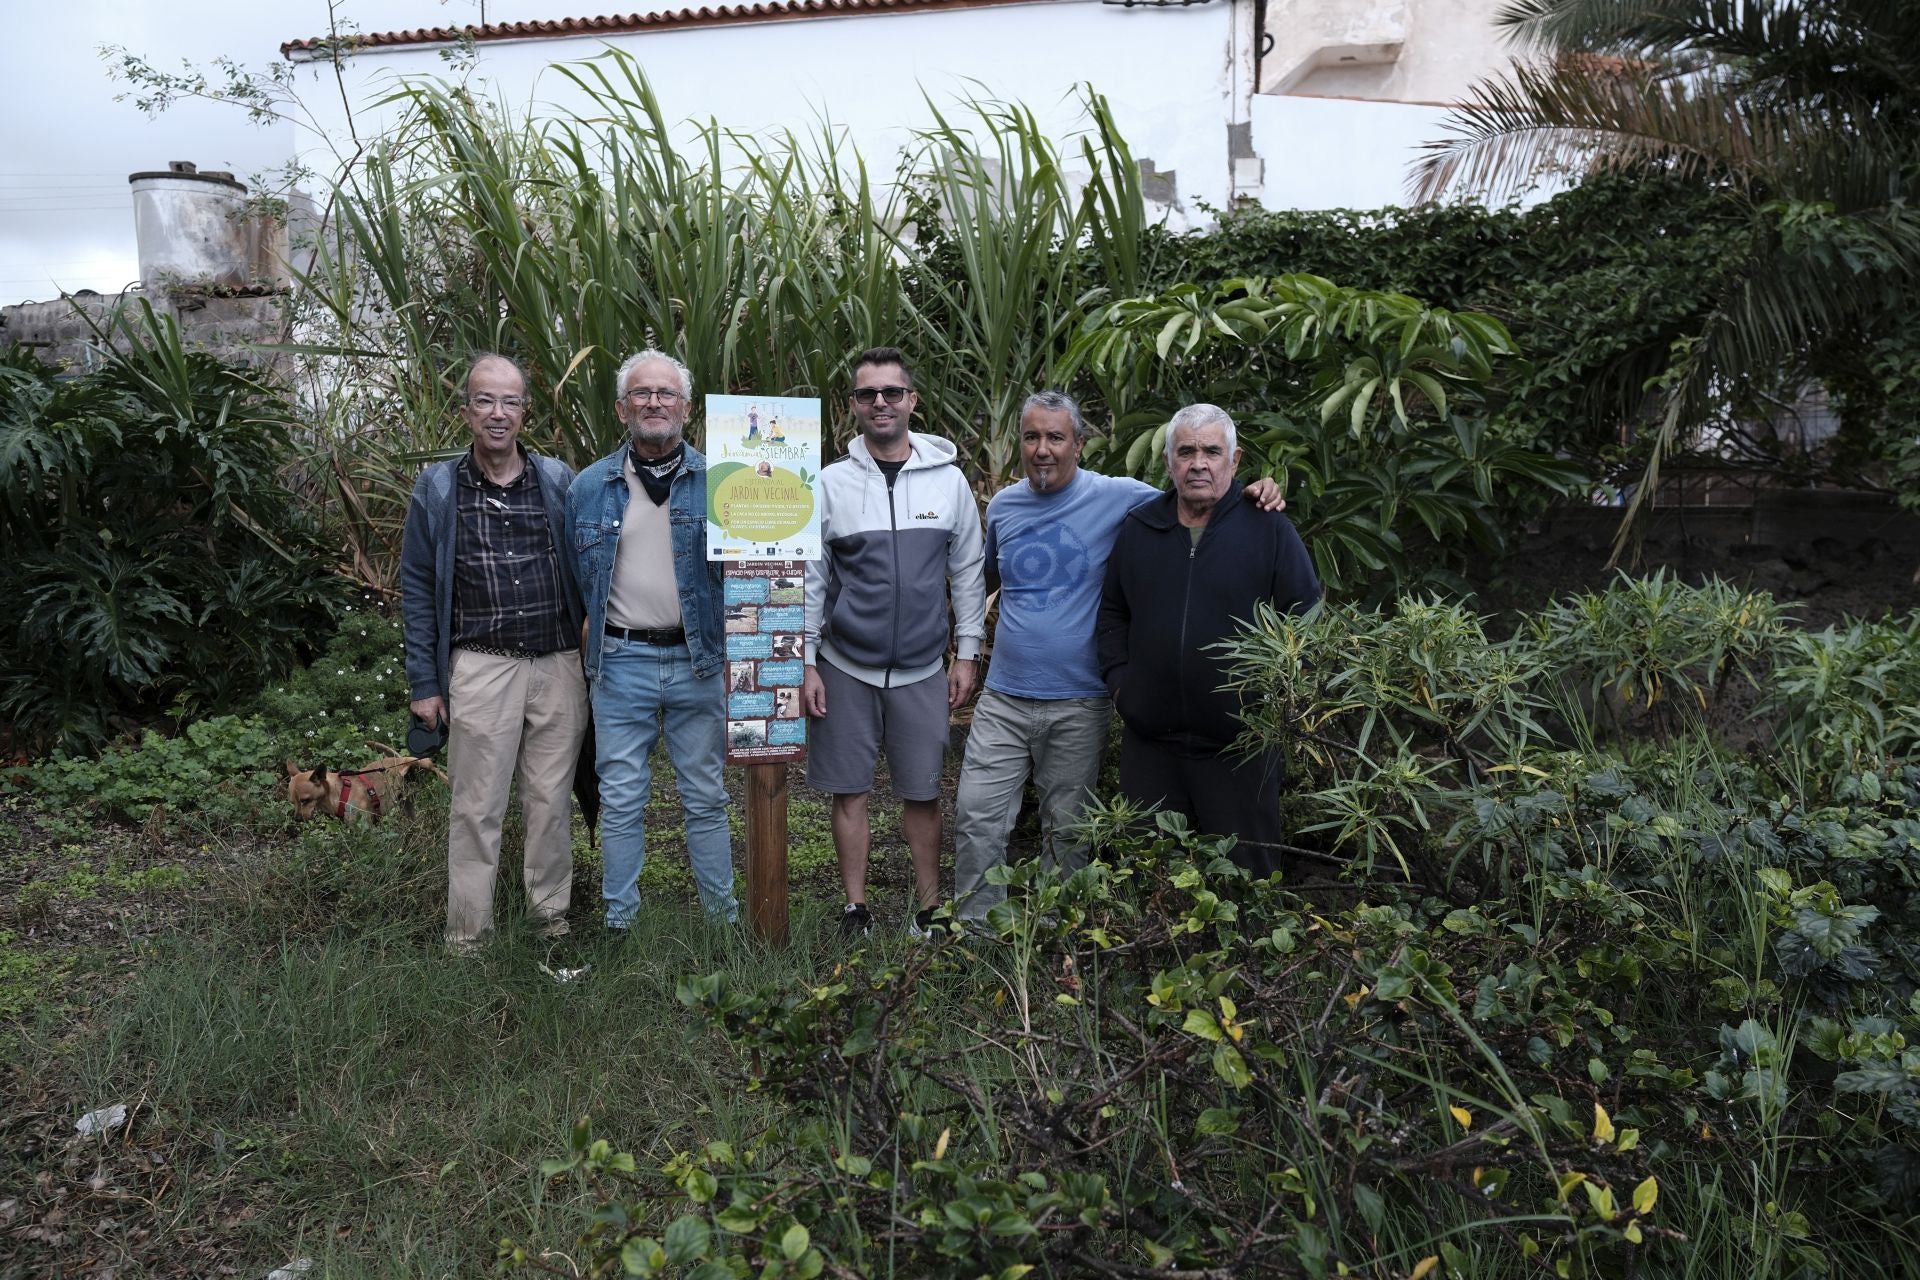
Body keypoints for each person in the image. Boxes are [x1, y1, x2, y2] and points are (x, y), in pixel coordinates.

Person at [952, 392, 1283, 925]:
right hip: (1004, 696)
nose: (1042, 449)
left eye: (1056, 437)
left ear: (1079, 445)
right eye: (1032, 437)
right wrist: (966, 651)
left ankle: (1057, 932)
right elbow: (984, 580)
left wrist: (1255, 494)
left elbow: (1196, 493)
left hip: (1080, 700)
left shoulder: (1122, 497)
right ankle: (973, 932)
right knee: (976, 817)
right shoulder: (1005, 507)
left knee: (1069, 829)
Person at [401, 353, 589, 952]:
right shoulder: (437, 487)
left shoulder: (559, 481)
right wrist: (425, 684)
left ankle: (549, 922)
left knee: (550, 803)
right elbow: (418, 589)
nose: (498, 414)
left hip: (559, 665)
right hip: (481, 666)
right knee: (476, 807)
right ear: (467, 412)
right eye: (485, 400)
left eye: (510, 401)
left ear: (525, 412)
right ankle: (467, 935)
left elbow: (592, 569)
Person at [803, 346, 986, 939]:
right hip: (845, 665)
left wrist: (966, 652)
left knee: (923, 792)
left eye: (891, 392)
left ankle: (930, 908)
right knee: (850, 790)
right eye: (866, 394)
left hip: (920, 668)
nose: (879, 403)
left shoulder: (950, 481)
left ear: (911, 400)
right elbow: (813, 578)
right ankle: (855, 909)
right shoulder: (829, 483)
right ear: (852, 406)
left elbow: (967, 572)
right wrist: (806, 661)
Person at [1097, 404, 1321, 876]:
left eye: (1211, 451)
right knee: (1145, 878)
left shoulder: (1268, 528)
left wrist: (1273, 702)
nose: (1199, 462)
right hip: (1151, 747)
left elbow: (1306, 617)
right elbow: (1113, 614)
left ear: (1234, 461)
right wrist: (1123, 688)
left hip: (1240, 749)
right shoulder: (1140, 529)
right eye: (1186, 451)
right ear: (1168, 462)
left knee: (1248, 884)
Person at [567, 349, 739, 929]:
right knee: (621, 800)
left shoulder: (722, 482)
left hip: (699, 662)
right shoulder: (589, 487)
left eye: (666, 393)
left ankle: (722, 921)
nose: (654, 402)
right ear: (622, 408)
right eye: (642, 393)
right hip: (620, 662)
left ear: (686, 408)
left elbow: (744, 574)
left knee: (706, 798)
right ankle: (621, 924)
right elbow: (576, 578)